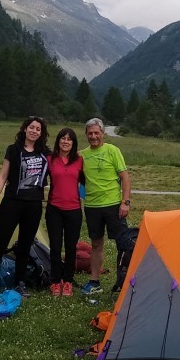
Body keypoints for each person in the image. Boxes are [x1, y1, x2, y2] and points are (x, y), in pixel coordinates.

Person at [0, 116, 50, 296]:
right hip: (12, 202)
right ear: (24, 129)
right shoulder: (13, 150)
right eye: (31, 127)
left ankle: (19, 283)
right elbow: (3, 175)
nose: (34, 131)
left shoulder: (46, 153)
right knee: (1, 241)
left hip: (34, 204)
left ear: (42, 133)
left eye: (38, 129)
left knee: (25, 244)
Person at [79, 118, 131, 295]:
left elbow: (125, 177)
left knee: (123, 243)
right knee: (96, 244)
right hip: (92, 206)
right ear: (86, 135)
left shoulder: (112, 151)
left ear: (102, 134)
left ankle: (124, 282)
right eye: (90, 133)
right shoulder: (82, 155)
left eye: (96, 133)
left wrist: (125, 202)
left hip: (114, 205)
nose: (93, 136)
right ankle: (94, 281)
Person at [45, 127, 84, 297]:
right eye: (63, 138)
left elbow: (87, 181)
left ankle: (67, 281)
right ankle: (55, 281)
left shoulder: (80, 160)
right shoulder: (50, 159)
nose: (66, 141)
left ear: (73, 143)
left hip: (74, 210)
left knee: (70, 247)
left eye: (69, 139)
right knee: (55, 246)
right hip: (54, 209)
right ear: (58, 141)